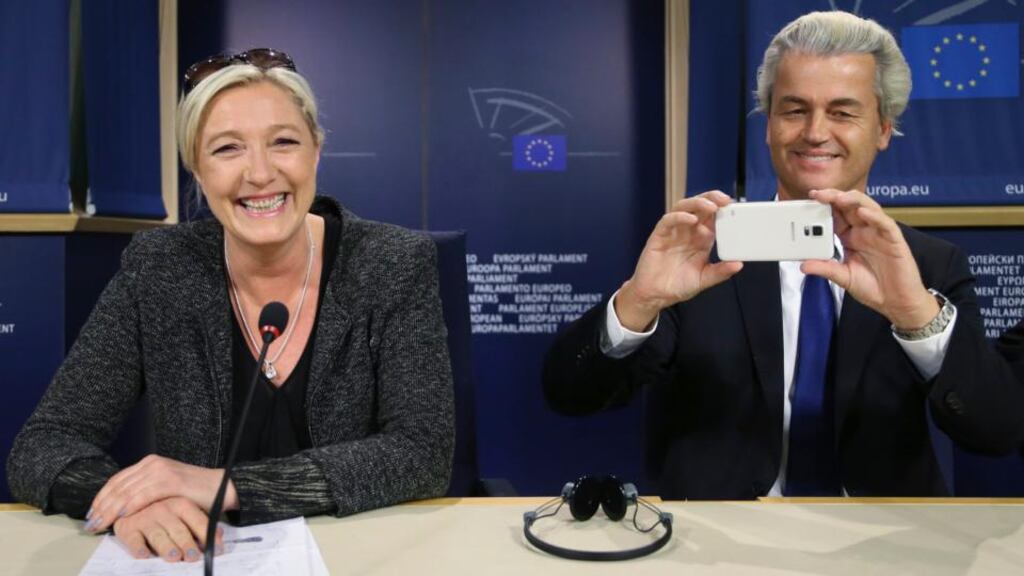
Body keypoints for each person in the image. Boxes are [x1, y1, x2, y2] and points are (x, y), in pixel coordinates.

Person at [544, 12, 1024, 499]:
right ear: (769, 126)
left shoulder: (930, 265)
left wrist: (915, 315)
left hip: (882, 544)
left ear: (882, 128)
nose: (815, 132)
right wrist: (638, 302)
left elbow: (995, 430)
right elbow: (570, 394)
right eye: (794, 110)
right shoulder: (704, 256)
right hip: (721, 548)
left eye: (842, 112)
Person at [6, 48, 454, 562]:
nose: (260, 173)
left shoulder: (392, 263)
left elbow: (421, 452)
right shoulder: (160, 267)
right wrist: (131, 503)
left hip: (360, 556)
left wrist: (223, 485)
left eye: (283, 142)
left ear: (316, 151)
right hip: (196, 559)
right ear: (197, 170)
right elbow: (45, 443)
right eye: (226, 149)